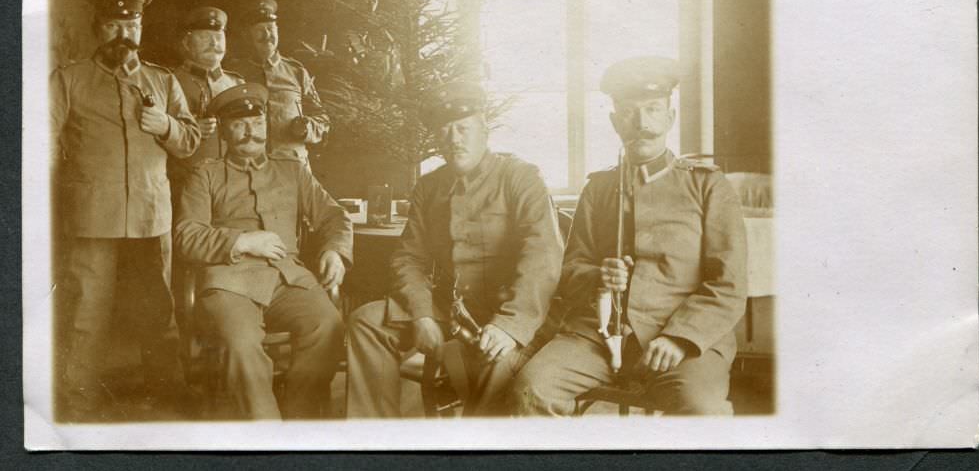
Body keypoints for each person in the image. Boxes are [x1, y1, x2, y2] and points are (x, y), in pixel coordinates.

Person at [511, 57, 748, 416]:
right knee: (533, 388)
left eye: (653, 110)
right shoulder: (599, 188)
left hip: (684, 338)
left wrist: (679, 337)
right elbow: (570, 269)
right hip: (599, 335)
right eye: (628, 113)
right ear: (614, 122)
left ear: (670, 117)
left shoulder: (707, 185)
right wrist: (598, 276)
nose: (641, 124)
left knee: (701, 410)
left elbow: (728, 284)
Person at [346, 81, 564, 417]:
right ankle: (376, 436)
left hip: (511, 311)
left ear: (484, 129)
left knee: (499, 368)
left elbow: (543, 257)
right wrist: (421, 313)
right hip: (451, 309)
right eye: (445, 131)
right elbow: (409, 257)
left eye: (463, 128)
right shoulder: (429, 186)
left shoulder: (521, 177)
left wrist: (509, 326)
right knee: (367, 322)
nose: (454, 139)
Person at [50, 0, 200, 420]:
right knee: (85, 314)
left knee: (159, 312)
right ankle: (77, 404)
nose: (123, 35)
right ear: (98, 29)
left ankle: (166, 396)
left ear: (141, 29)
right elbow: (41, 141)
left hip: (151, 217)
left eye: (131, 26)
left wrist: (167, 125)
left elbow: (190, 142)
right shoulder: (69, 79)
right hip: (92, 217)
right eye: (114, 25)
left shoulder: (163, 81)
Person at [173, 83, 352, 419]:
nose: (249, 132)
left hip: (288, 279)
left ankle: (298, 420)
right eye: (239, 124)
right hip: (229, 283)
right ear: (223, 131)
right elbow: (186, 235)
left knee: (327, 325)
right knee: (241, 344)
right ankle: (265, 432)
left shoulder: (292, 170)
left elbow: (334, 215)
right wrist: (241, 241)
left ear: (267, 126)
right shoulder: (205, 175)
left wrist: (335, 251)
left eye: (256, 123)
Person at [228, 0, 329, 166]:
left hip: (292, 167)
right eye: (259, 30)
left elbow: (322, 119)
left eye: (270, 28)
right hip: (248, 169)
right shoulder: (234, 73)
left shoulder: (297, 72)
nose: (267, 35)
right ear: (248, 35)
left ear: (278, 31)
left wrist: (307, 128)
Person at [168, 5, 244, 195]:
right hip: (185, 184)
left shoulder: (237, 84)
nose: (213, 42)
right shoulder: (168, 81)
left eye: (218, 36)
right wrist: (188, 129)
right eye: (204, 36)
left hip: (232, 186)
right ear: (186, 42)